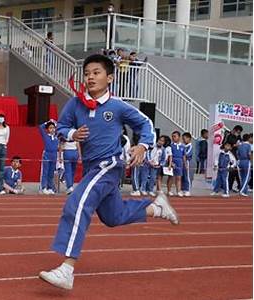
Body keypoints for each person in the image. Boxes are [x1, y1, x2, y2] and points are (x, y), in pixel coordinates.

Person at [38, 54, 178, 291]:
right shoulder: (76, 104)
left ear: (109, 77)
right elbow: (60, 128)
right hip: (92, 168)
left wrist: (143, 145)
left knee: (77, 203)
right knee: (114, 216)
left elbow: (145, 124)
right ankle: (157, 208)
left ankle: (67, 268)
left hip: (110, 165)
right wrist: (72, 134)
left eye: (96, 72)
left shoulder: (118, 106)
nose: (90, 77)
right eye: (86, 73)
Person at [39, 120, 59, 195]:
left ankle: (50, 187)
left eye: (53, 128)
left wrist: (55, 123)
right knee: (45, 172)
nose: (52, 129)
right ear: (48, 129)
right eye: (50, 128)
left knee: (51, 173)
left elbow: (60, 128)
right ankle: (43, 187)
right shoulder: (46, 135)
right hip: (47, 155)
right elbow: (41, 127)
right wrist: (47, 122)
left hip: (54, 155)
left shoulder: (57, 136)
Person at [225, 125, 243, 192]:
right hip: (230, 155)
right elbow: (227, 143)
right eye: (237, 132)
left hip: (236, 156)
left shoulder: (238, 136)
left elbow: (240, 142)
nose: (238, 133)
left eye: (239, 132)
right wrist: (234, 145)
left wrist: (237, 142)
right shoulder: (229, 135)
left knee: (236, 172)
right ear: (234, 130)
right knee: (231, 172)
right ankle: (229, 187)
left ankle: (238, 186)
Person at [167, 131, 184, 197]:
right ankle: (169, 191)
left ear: (179, 137)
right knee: (171, 177)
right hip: (173, 161)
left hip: (179, 162)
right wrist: (170, 163)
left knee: (179, 177)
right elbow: (169, 155)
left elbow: (183, 155)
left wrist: (184, 163)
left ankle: (178, 191)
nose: (173, 138)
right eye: (172, 136)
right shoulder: (170, 146)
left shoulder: (182, 146)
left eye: (175, 136)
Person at [181, 132, 193, 197]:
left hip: (187, 162)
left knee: (187, 177)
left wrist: (183, 154)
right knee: (182, 176)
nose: (183, 140)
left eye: (185, 139)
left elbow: (187, 154)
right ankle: (183, 189)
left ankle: (187, 190)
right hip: (182, 162)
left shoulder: (190, 146)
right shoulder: (183, 146)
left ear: (189, 139)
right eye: (183, 139)